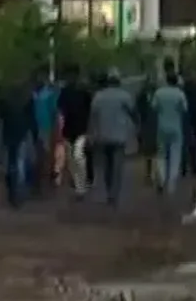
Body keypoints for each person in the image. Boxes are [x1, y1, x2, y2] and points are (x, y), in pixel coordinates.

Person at [86, 69, 136, 208]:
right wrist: (137, 126)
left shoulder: (98, 96)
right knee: (117, 167)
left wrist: (91, 134)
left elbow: (93, 117)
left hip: (102, 136)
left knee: (107, 166)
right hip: (119, 136)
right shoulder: (124, 96)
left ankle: (109, 191)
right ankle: (114, 193)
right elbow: (132, 112)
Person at [0, 83, 36, 209]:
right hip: (20, 134)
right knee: (19, 164)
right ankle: (17, 192)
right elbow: (31, 118)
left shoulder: (5, 99)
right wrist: (34, 132)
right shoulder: (27, 99)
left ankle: (13, 191)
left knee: (12, 164)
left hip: (9, 135)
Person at [150, 68, 189, 196]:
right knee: (175, 155)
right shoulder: (179, 94)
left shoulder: (159, 93)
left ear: (166, 80)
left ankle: (161, 178)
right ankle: (171, 183)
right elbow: (184, 109)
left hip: (161, 127)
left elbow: (154, 107)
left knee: (161, 154)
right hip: (176, 127)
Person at [56, 66, 93, 197]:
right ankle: (79, 185)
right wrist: (60, 128)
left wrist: (90, 130)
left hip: (81, 130)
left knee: (78, 156)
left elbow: (90, 111)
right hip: (68, 130)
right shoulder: (64, 92)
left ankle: (81, 186)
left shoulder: (84, 92)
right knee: (72, 160)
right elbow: (60, 112)